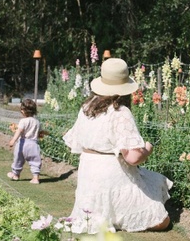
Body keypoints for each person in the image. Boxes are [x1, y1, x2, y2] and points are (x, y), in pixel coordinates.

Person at [63, 58, 172, 234]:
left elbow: (75, 143)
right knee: (162, 221)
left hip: (88, 175)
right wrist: (147, 149)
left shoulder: (86, 107)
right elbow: (133, 158)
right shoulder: (120, 112)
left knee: (151, 180)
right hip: (112, 176)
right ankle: (122, 215)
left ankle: (111, 216)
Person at [7, 98, 42, 184]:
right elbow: (39, 133)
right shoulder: (37, 122)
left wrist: (13, 140)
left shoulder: (23, 121)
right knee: (35, 160)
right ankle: (35, 178)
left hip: (23, 143)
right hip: (33, 144)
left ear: (23, 111)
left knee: (18, 159)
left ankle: (15, 174)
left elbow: (19, 131)